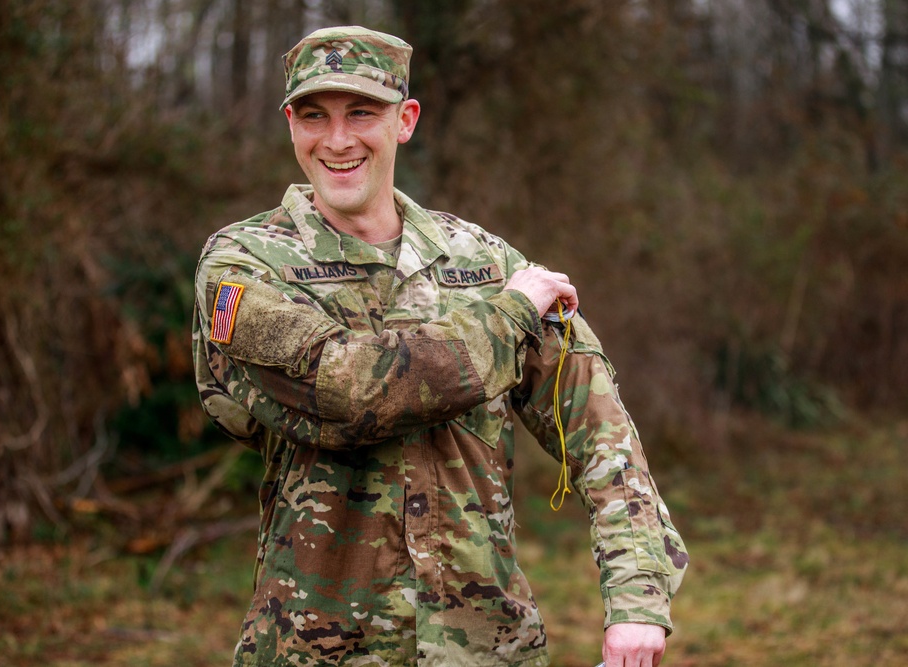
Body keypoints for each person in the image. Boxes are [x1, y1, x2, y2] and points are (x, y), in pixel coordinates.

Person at [192, 25, 687, 667]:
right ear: (291, 124)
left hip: (486, 649)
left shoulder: (483, 261)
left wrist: (638, 602)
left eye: (362, 113)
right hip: (318, 648)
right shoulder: (245, 265)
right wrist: (507, 315)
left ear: (406, 120)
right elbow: (348, 392)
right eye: (315, 116)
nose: (337, 140)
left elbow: (600, 431)